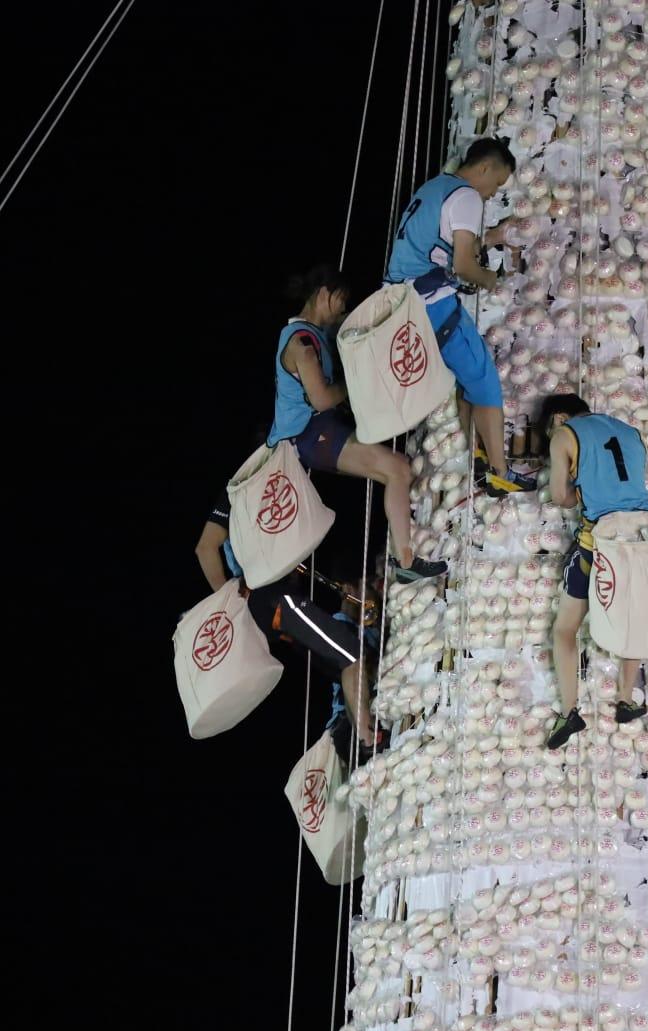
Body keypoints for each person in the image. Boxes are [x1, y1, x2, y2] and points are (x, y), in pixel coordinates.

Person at [270, 264, 445, 584]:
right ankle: (405, 560)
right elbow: (322, 399)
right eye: (341, 300)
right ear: (324, 294)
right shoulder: (300, 343)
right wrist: (356, 384)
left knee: (398, 469)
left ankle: (404, 557)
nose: (343, 309)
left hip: (322, 432)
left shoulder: (317, 336)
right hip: (311, 435)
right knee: (396, 469)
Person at [385, 138, 533, 497]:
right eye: (496, 183)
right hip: (430, 302)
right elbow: (464, 264)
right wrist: (492, 280)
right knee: (483, 377)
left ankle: (477, 456)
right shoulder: (466, 196)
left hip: (399, 302)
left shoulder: (435, 187)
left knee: (466, 381)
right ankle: (499, 472)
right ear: (484, 167)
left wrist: (495, 235)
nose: (491, 194)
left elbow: (444, 244)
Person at [194, 489, 374, 746]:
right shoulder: (236, 492)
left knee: (339, 668)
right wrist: (229, 604)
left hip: (274, 605)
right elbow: (204, 548)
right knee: (351, 655)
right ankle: (369, 742)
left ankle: (360, 734)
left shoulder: (264, 487)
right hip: (271, 598)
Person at [540, 394, 648, 749]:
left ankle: (570, 712)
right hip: (641, 538)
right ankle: (625, 699)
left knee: (564, 630)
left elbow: (560, 496)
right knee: (634, 623)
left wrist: (577, 491)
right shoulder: (632, 433)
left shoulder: (565, 435)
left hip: (599, 542)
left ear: (560, 418)